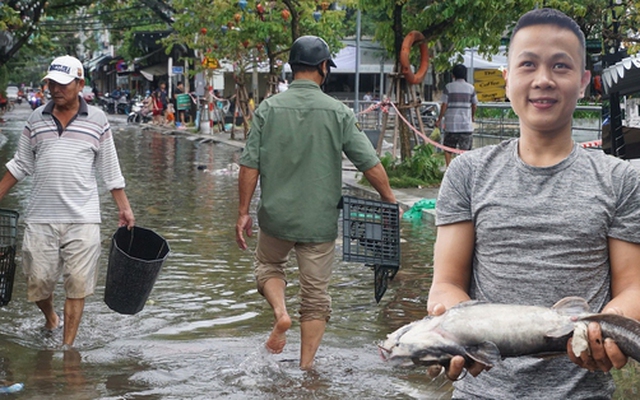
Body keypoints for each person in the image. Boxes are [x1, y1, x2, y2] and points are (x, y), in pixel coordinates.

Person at [426, 8, 640, 398]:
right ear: (507, 79)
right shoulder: (467, 174)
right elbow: (446, 285)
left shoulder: (621, 179)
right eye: (528, 65)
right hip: (481, 392)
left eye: (561, 66)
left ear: (584, 82)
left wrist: (610, 326)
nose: (543, 80)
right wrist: (460, 332)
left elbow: (633, 287)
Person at [235, 35, 397, 370]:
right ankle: (307, 369)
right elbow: (369, 164)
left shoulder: (267, 109)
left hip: (275, 219)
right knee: (315, 298)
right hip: (319, 224)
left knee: (267, 266)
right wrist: (389, 200)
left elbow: (249, 165)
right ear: (323, 68)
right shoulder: (338, 112)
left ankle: (281, 315)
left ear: (292, 68)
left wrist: (242, 213)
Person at [0, 55, 135, 347]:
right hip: (40, 216)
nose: (55, 89)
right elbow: (20, 164)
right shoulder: (36, 119)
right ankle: (51, 317)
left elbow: (110, 169)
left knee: (77, 284)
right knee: (37, 284)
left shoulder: (98, 120)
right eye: (51, 83)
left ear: (80, 84)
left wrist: (124, 208)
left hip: (83, 217)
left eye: (62, 84)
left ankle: (67, 349)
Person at [435, 64, 478, 167]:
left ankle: (449, 168)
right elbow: (474, 104)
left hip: (451, 125)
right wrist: (472, 116)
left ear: (453, 75)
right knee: (465, 150)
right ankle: (463, 170)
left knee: (448, 148)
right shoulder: (471, 88)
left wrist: (439, 119)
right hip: (465, 125)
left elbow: (444, 104)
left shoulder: (448, 87)